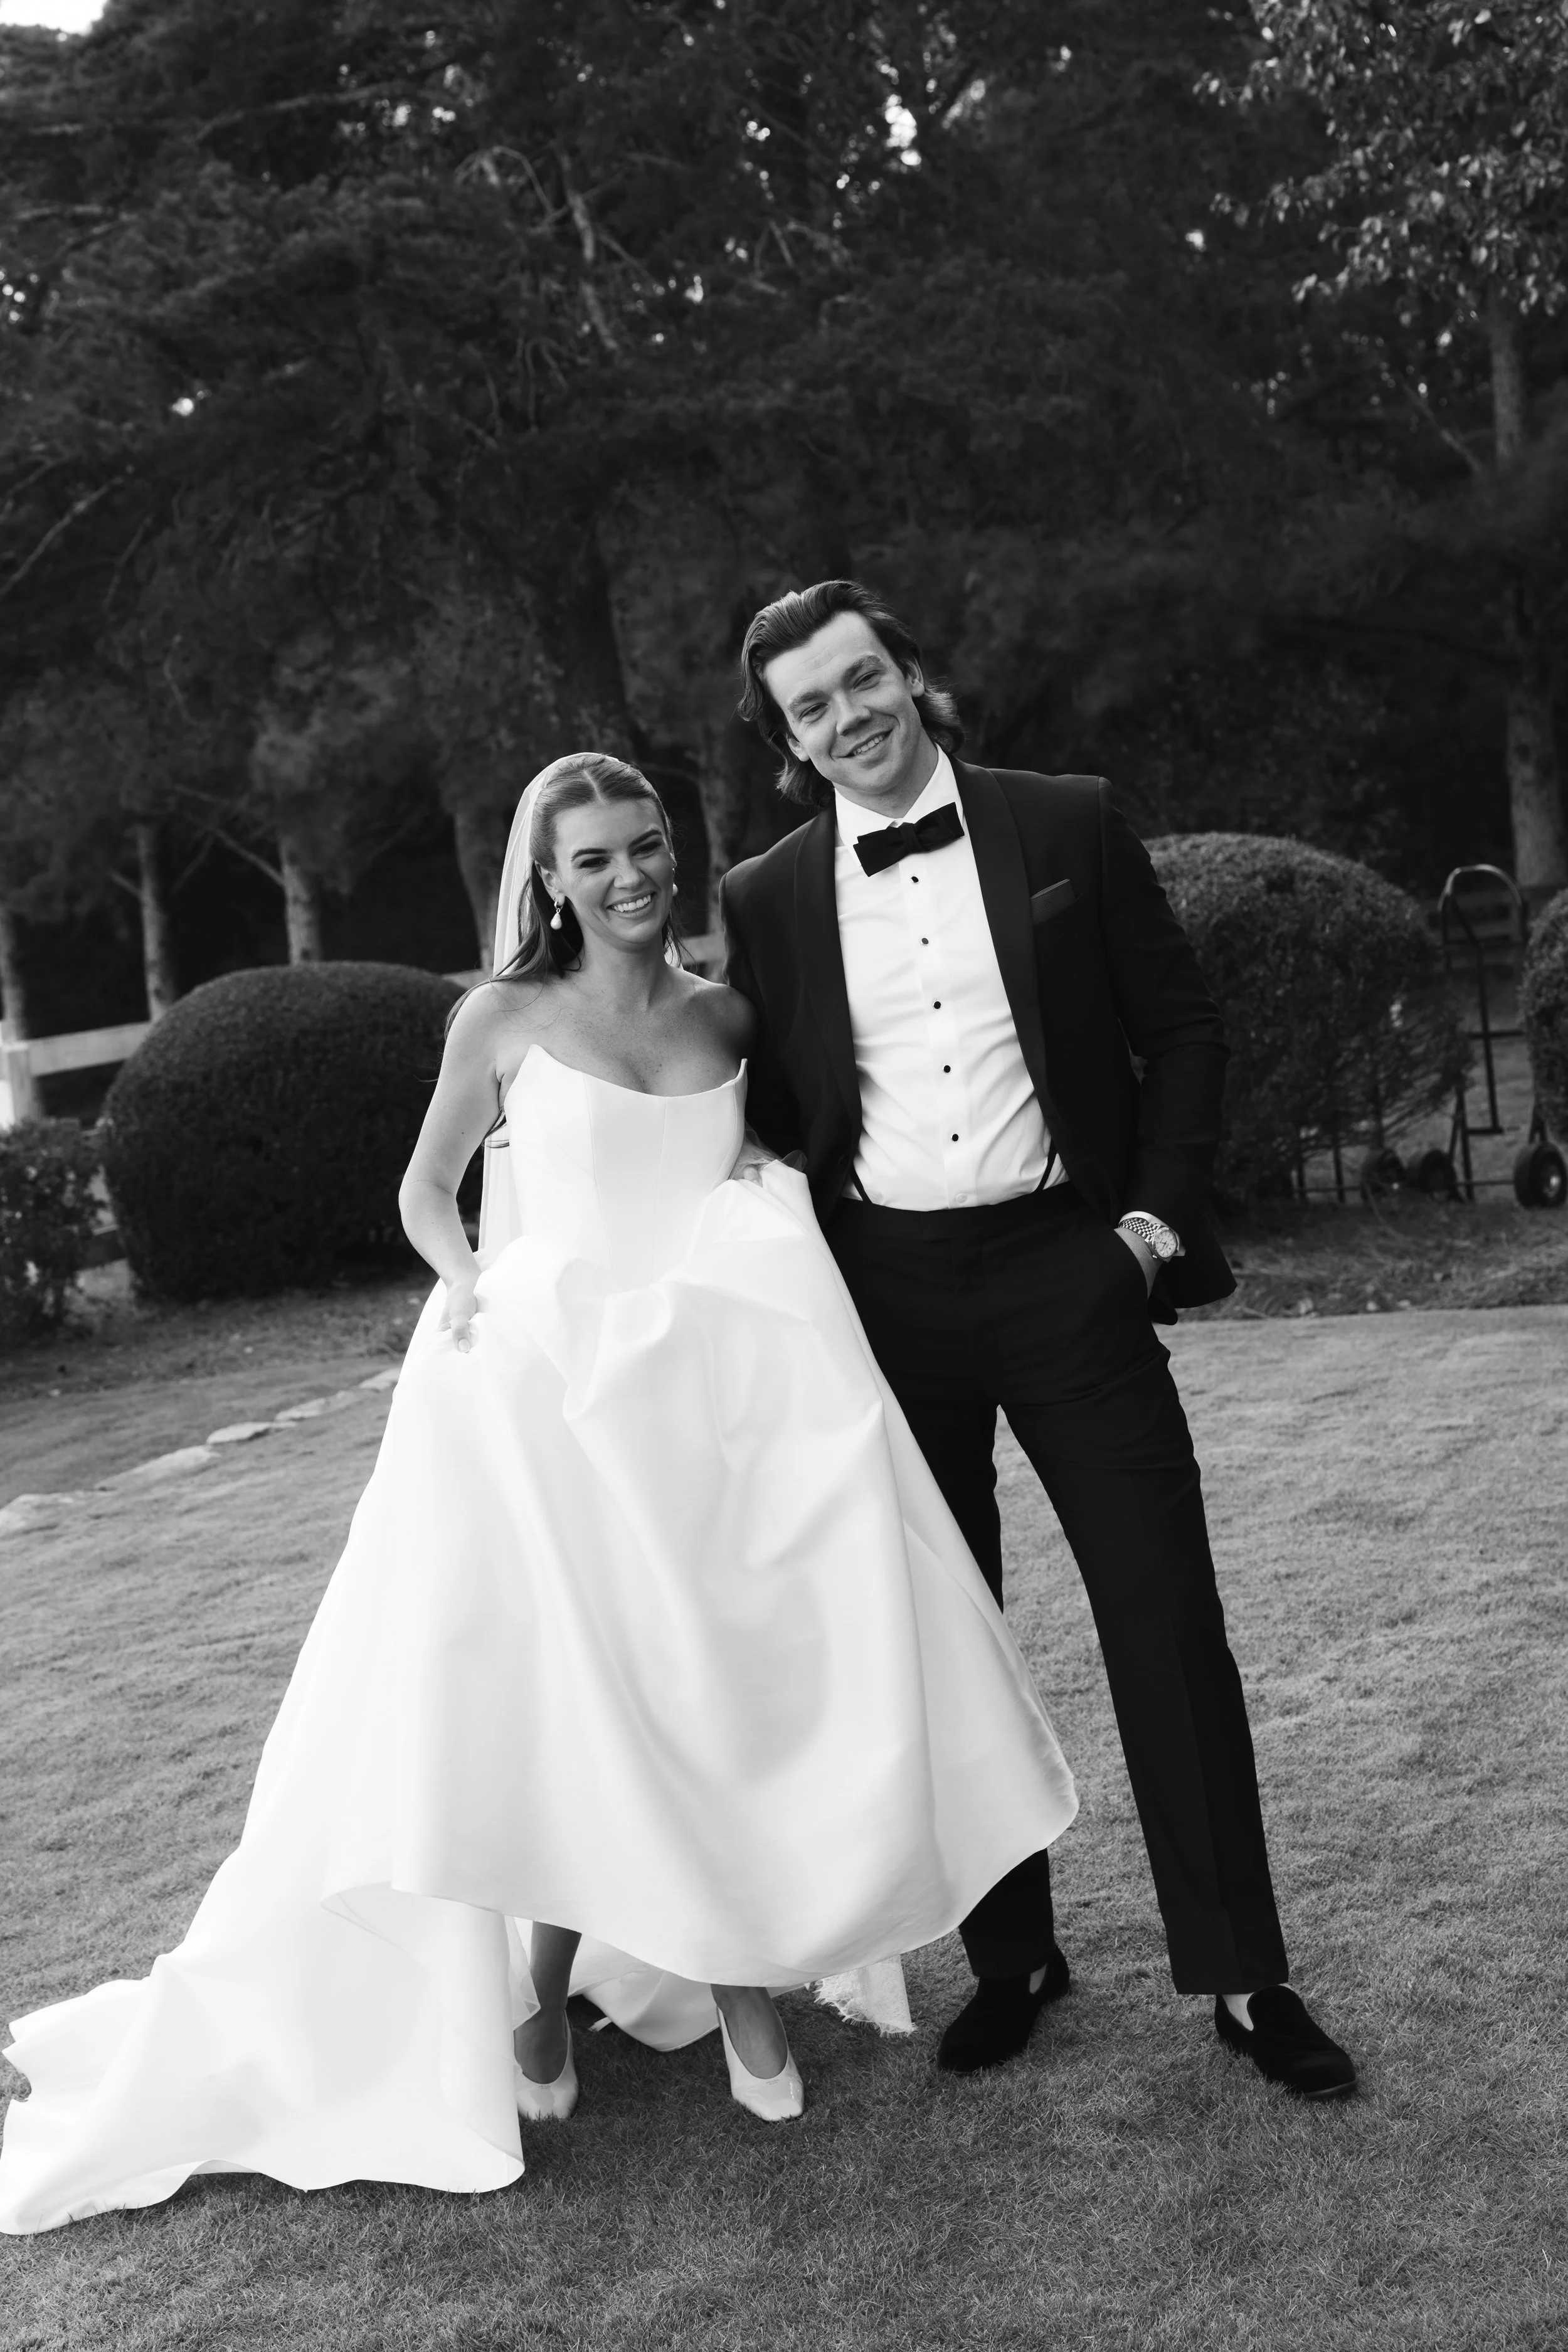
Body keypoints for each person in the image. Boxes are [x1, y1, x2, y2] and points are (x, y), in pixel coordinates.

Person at [0, 751, 1079, 2237]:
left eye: (645, 846)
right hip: (543, 1407)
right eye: (594, 859)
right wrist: (473, 1290)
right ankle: (543, 1995)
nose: (631, 875)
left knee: (699, 1693)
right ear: (548, 881)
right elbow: (426, 1191)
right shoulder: (499, 1019)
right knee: (570, 1705)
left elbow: (752, 1161)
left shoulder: (726, 1016)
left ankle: (734, 1982)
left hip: (703, 1416)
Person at [723, 580, 1357, 2099]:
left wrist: (1144, 1228)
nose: (846, 717)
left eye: (860, 679)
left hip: (1069, 1271)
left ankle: (1241, 1975)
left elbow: (1180, 1030)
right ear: (787, 742)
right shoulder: (762, 899)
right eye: (809, 706)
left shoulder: (1062, 821)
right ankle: (1012, 1958)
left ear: (911, 675)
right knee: (947, 1637)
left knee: (1164, 1622)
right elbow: (756, 1116)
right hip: (888, 1298)